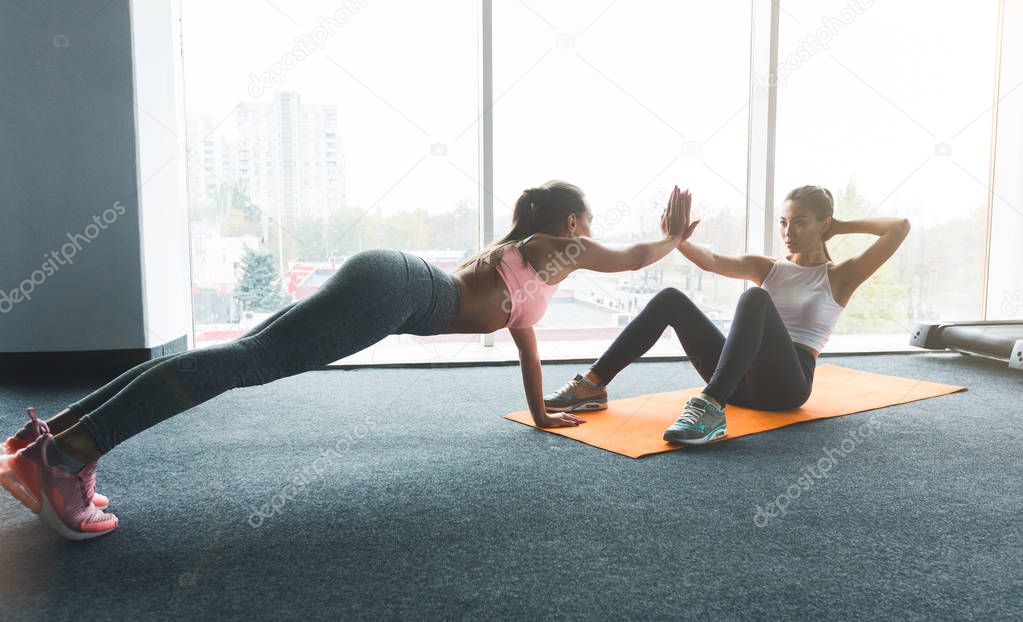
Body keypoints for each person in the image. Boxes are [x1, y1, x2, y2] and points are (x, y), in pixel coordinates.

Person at [0, 180, 699, 540]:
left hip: (394, 281)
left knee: (238, 354)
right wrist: (668, 242)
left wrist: (542, 410)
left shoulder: (526, 272)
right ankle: (64, 458)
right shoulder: (554, 247)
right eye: (589, 221)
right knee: (249, 364)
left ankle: (53, 438)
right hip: (397, 293)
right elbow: (630, 257)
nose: (593, 233)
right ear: (572, 224)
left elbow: (525, 340)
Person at [544, 185, 911, 445]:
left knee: (755, 300)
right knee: (671, 298)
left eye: (800, 222)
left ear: (823, 224)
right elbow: (713, 260)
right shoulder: (769, 266)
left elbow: (899, 228)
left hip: (786, 386)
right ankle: (592, 385)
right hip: (740, 380)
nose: (788, 232)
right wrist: (677, 239)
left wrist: (839, 224)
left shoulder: (840, 276)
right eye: (783, 222)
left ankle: (710, 407)